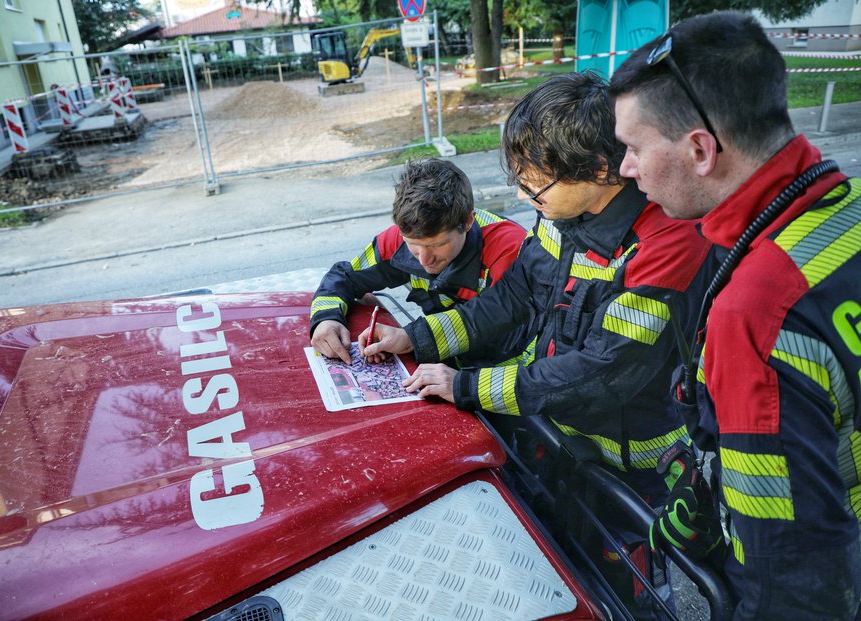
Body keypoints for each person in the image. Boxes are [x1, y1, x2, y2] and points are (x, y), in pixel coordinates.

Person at [360, 72, 715, 617]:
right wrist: (416, 337)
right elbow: (514, 298)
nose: (525, 197)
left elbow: (602, 371)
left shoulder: (667, 241)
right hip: (559, 436)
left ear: (600, 168)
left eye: (535, 186)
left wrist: (468, 386)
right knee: (564, 568)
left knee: (628, 584)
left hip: (633, 465)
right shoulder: (563, 213)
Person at [610, 11, 861, 619]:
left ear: (700, 149)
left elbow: (789, 571)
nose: (626, 169)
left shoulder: (754, 311)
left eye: (634, 148)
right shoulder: (843, 210)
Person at [310, 157, 529, 364]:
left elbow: (491, 319)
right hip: (447, 366)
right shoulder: (399, 238)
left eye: (437, 245)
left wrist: (413, 339)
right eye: (412, 244)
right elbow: (345, 276)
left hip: (512, 371)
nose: (424, 259)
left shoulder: (510, 247)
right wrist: (327, 318)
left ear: (468, 221)